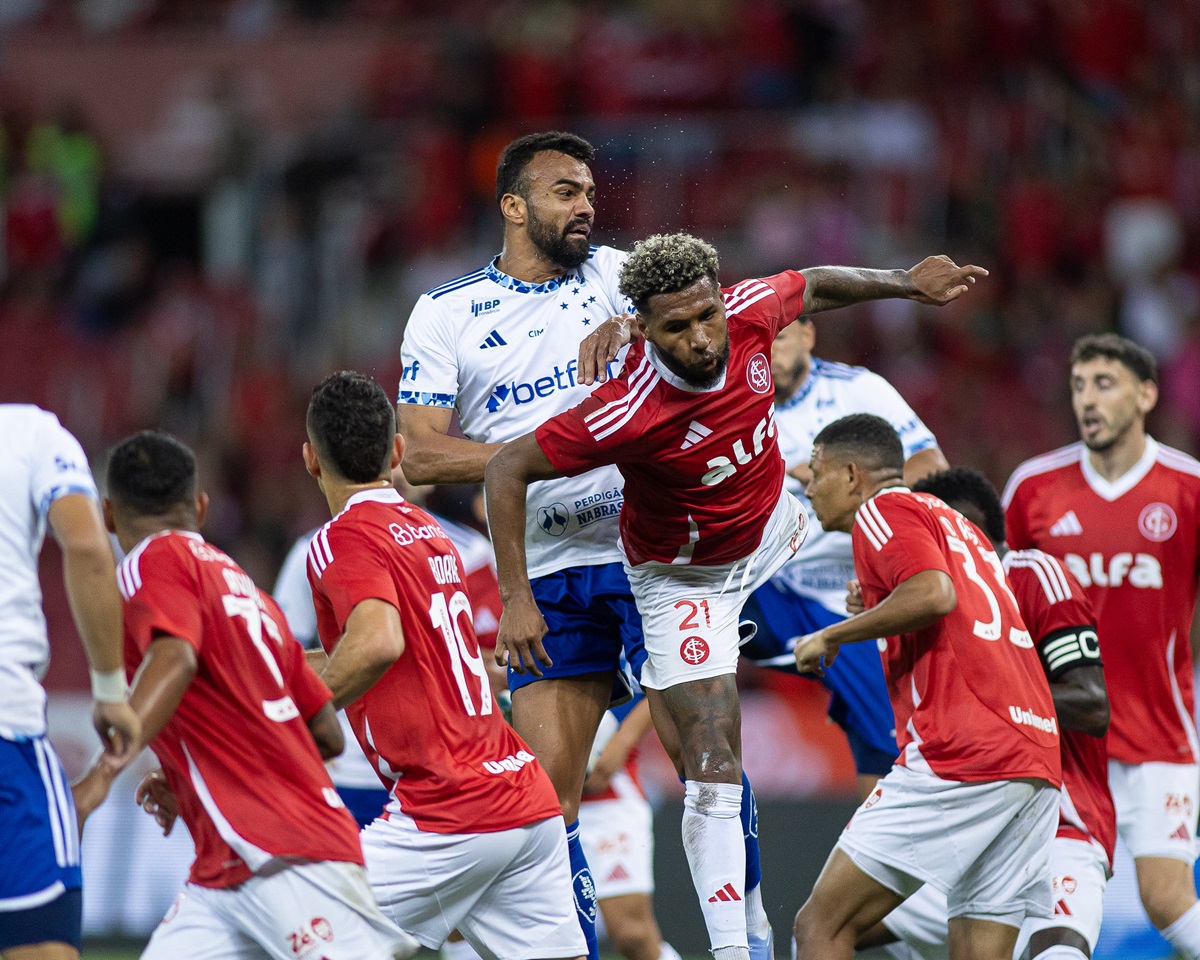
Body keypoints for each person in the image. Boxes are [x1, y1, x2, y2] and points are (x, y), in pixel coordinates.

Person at [484, 234, 986, 960]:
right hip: (685, 580)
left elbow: (816, 282)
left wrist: (906, 282)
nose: (701, 338)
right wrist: (516, 596)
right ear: (645, 329)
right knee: (711, 755)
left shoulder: (750, 310)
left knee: (883, 527)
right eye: (676, 328)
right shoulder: (625, 410)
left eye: (706, 316)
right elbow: (506, 469)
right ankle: (736, 947)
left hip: (779, 528)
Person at [396, 130, 772, 960]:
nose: (586, 206)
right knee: (543, 805)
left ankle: (748, 934)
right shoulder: (446, 312)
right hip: (546, 572)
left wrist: (635, 332)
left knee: (705, 759)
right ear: (513, 205)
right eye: (565, 191)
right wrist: (550, 450)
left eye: (591, 192)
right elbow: (419, 455)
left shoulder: (621, 277)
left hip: (650, 556)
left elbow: (707, 336)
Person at [72, 429, 416, 960]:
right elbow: (326, 734)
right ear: (201, 507)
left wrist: (98, 781)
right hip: (224, 872)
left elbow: (175, 657)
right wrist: (193, 770)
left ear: (109, 515)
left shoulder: (150, 561)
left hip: (286, 856)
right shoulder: (249, 593)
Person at [302, 371, 585, 960]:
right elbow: (400, 644)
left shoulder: (340, 538)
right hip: (523, 796)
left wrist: (289, 716)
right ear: (397, 452)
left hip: (447, 807)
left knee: (296, 931)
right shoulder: (430, 533)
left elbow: (376, 643)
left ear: (310, 459)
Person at [790, 414, 1061, 960]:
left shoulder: (880, 510)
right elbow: (952, 602)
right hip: (1034, 754)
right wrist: (879, 603)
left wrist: (831, 634)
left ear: (852, 475)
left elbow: (935, 594)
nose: (809, 488)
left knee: (820, 926)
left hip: (964, 749)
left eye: (816, 473)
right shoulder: (956, 524)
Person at [862, 467, 1114, 960]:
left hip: (1060, 825)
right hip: (967, 827)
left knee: (1056, 955)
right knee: (826, 926)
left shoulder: (1033, 575)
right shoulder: (933, 603)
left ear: (956, 527)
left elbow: (1092, 704)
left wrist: (995, 697)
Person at [1003, 333, 1200, 959]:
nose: (1087, 399)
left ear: (1146, 396)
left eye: (1105, 384)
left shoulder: (1188, 488)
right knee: (1058, 911)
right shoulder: (1033, 489)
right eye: (1079, 385)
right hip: (1066, 741)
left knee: (1166, 899)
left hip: (1159, 732)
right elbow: (999, 593)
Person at [739, 316, 949, 797]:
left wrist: (848, 488)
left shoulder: (858, 390)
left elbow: (932, 469)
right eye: (753, 343)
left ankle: (881, 831)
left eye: (779, 339)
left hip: (857, 592)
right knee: (680, 622)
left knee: (886, 746)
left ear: (808, 335)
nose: (766, 353)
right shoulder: (731, 402)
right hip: (773, 586)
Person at [273, 477, 506, 829]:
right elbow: (284, 657)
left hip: (445, 768)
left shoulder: (473, 553)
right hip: (345, 772)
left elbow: (496, 664)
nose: (395, 474)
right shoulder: (313, 550)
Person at [0, 404, 140, 960]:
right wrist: (110, 691)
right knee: (40, 947)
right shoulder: (29, 432)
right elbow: (85, 545)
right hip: (6, 733)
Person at [579, 697, 681, 960]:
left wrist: (623, 739)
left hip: (607, 798)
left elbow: (655, 681)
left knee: (632, 935)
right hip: (530, 799)